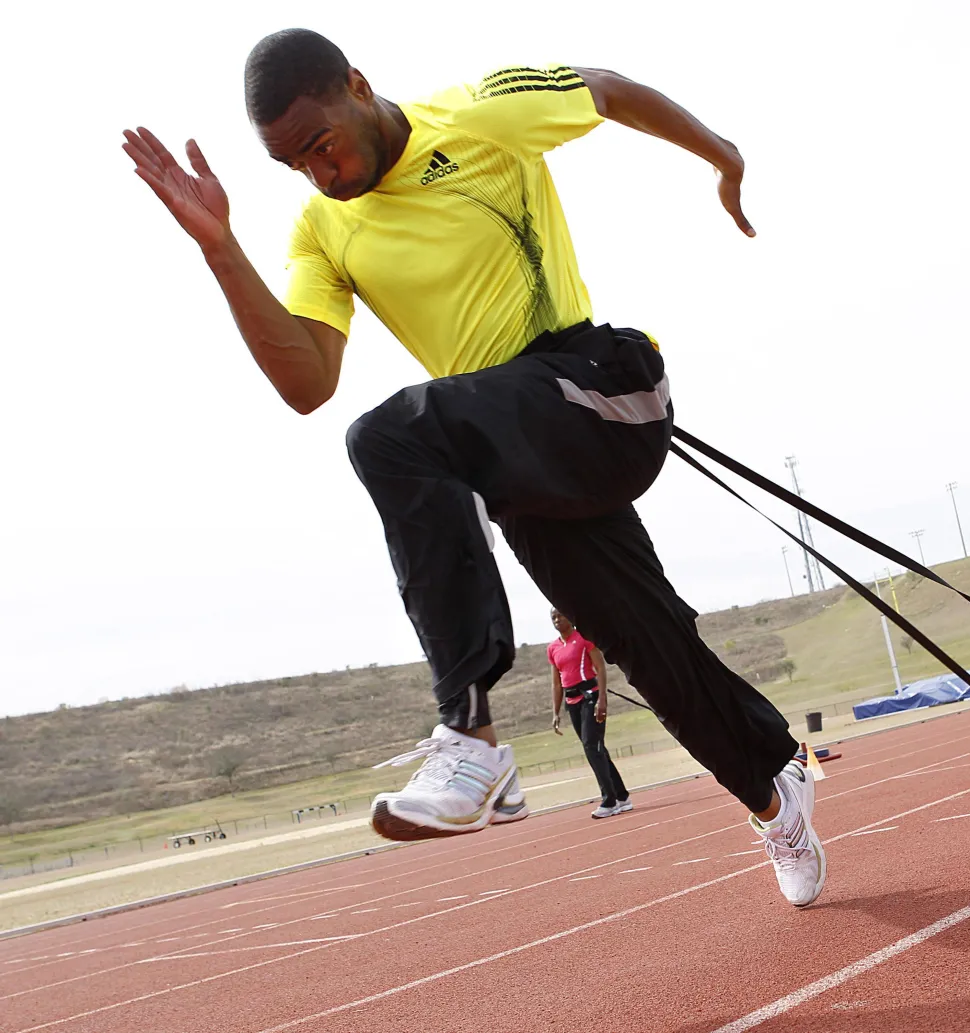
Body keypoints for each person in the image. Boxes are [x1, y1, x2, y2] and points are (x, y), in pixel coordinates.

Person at [121, 29, 825, 907]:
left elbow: (605, 87)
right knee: (652, 650)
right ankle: (773, 786)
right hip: (511, 457)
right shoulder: (321, 227)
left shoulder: (482, 114)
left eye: (321, 144)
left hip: (594, 388)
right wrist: (220, 248)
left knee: (386, 435)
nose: (319, 172)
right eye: (292, 164)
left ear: (356, 85)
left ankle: (473, 734)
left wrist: (724, 157)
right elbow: (306, 382)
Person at [547, 610, 631, 818]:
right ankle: (622, 796)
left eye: (560, 615)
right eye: (553, 618)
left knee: (591, 745)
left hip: (590, 696)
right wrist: (556, 712)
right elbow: (556, 683)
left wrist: (602, 699)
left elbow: (600, 668)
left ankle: (609, 800)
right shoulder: (553, 648)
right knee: (597, 747)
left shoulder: (584, 637)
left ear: (569, 616)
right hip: (571, 701)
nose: (557, 620)